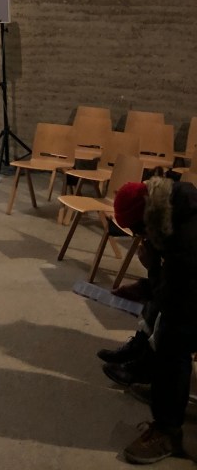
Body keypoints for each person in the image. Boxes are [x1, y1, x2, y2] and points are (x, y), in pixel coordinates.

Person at [111, 175, 197, 464]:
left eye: (138, 230)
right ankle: (155, 377)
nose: (140, 237)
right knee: (162, 318)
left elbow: (176, 299)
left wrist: (151, 269)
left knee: (173, 337)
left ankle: (168, 431)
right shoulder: (174, 208)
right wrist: (144, 288)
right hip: (189, 290)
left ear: (147, 217)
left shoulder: (186, 237)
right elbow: (177, 284)